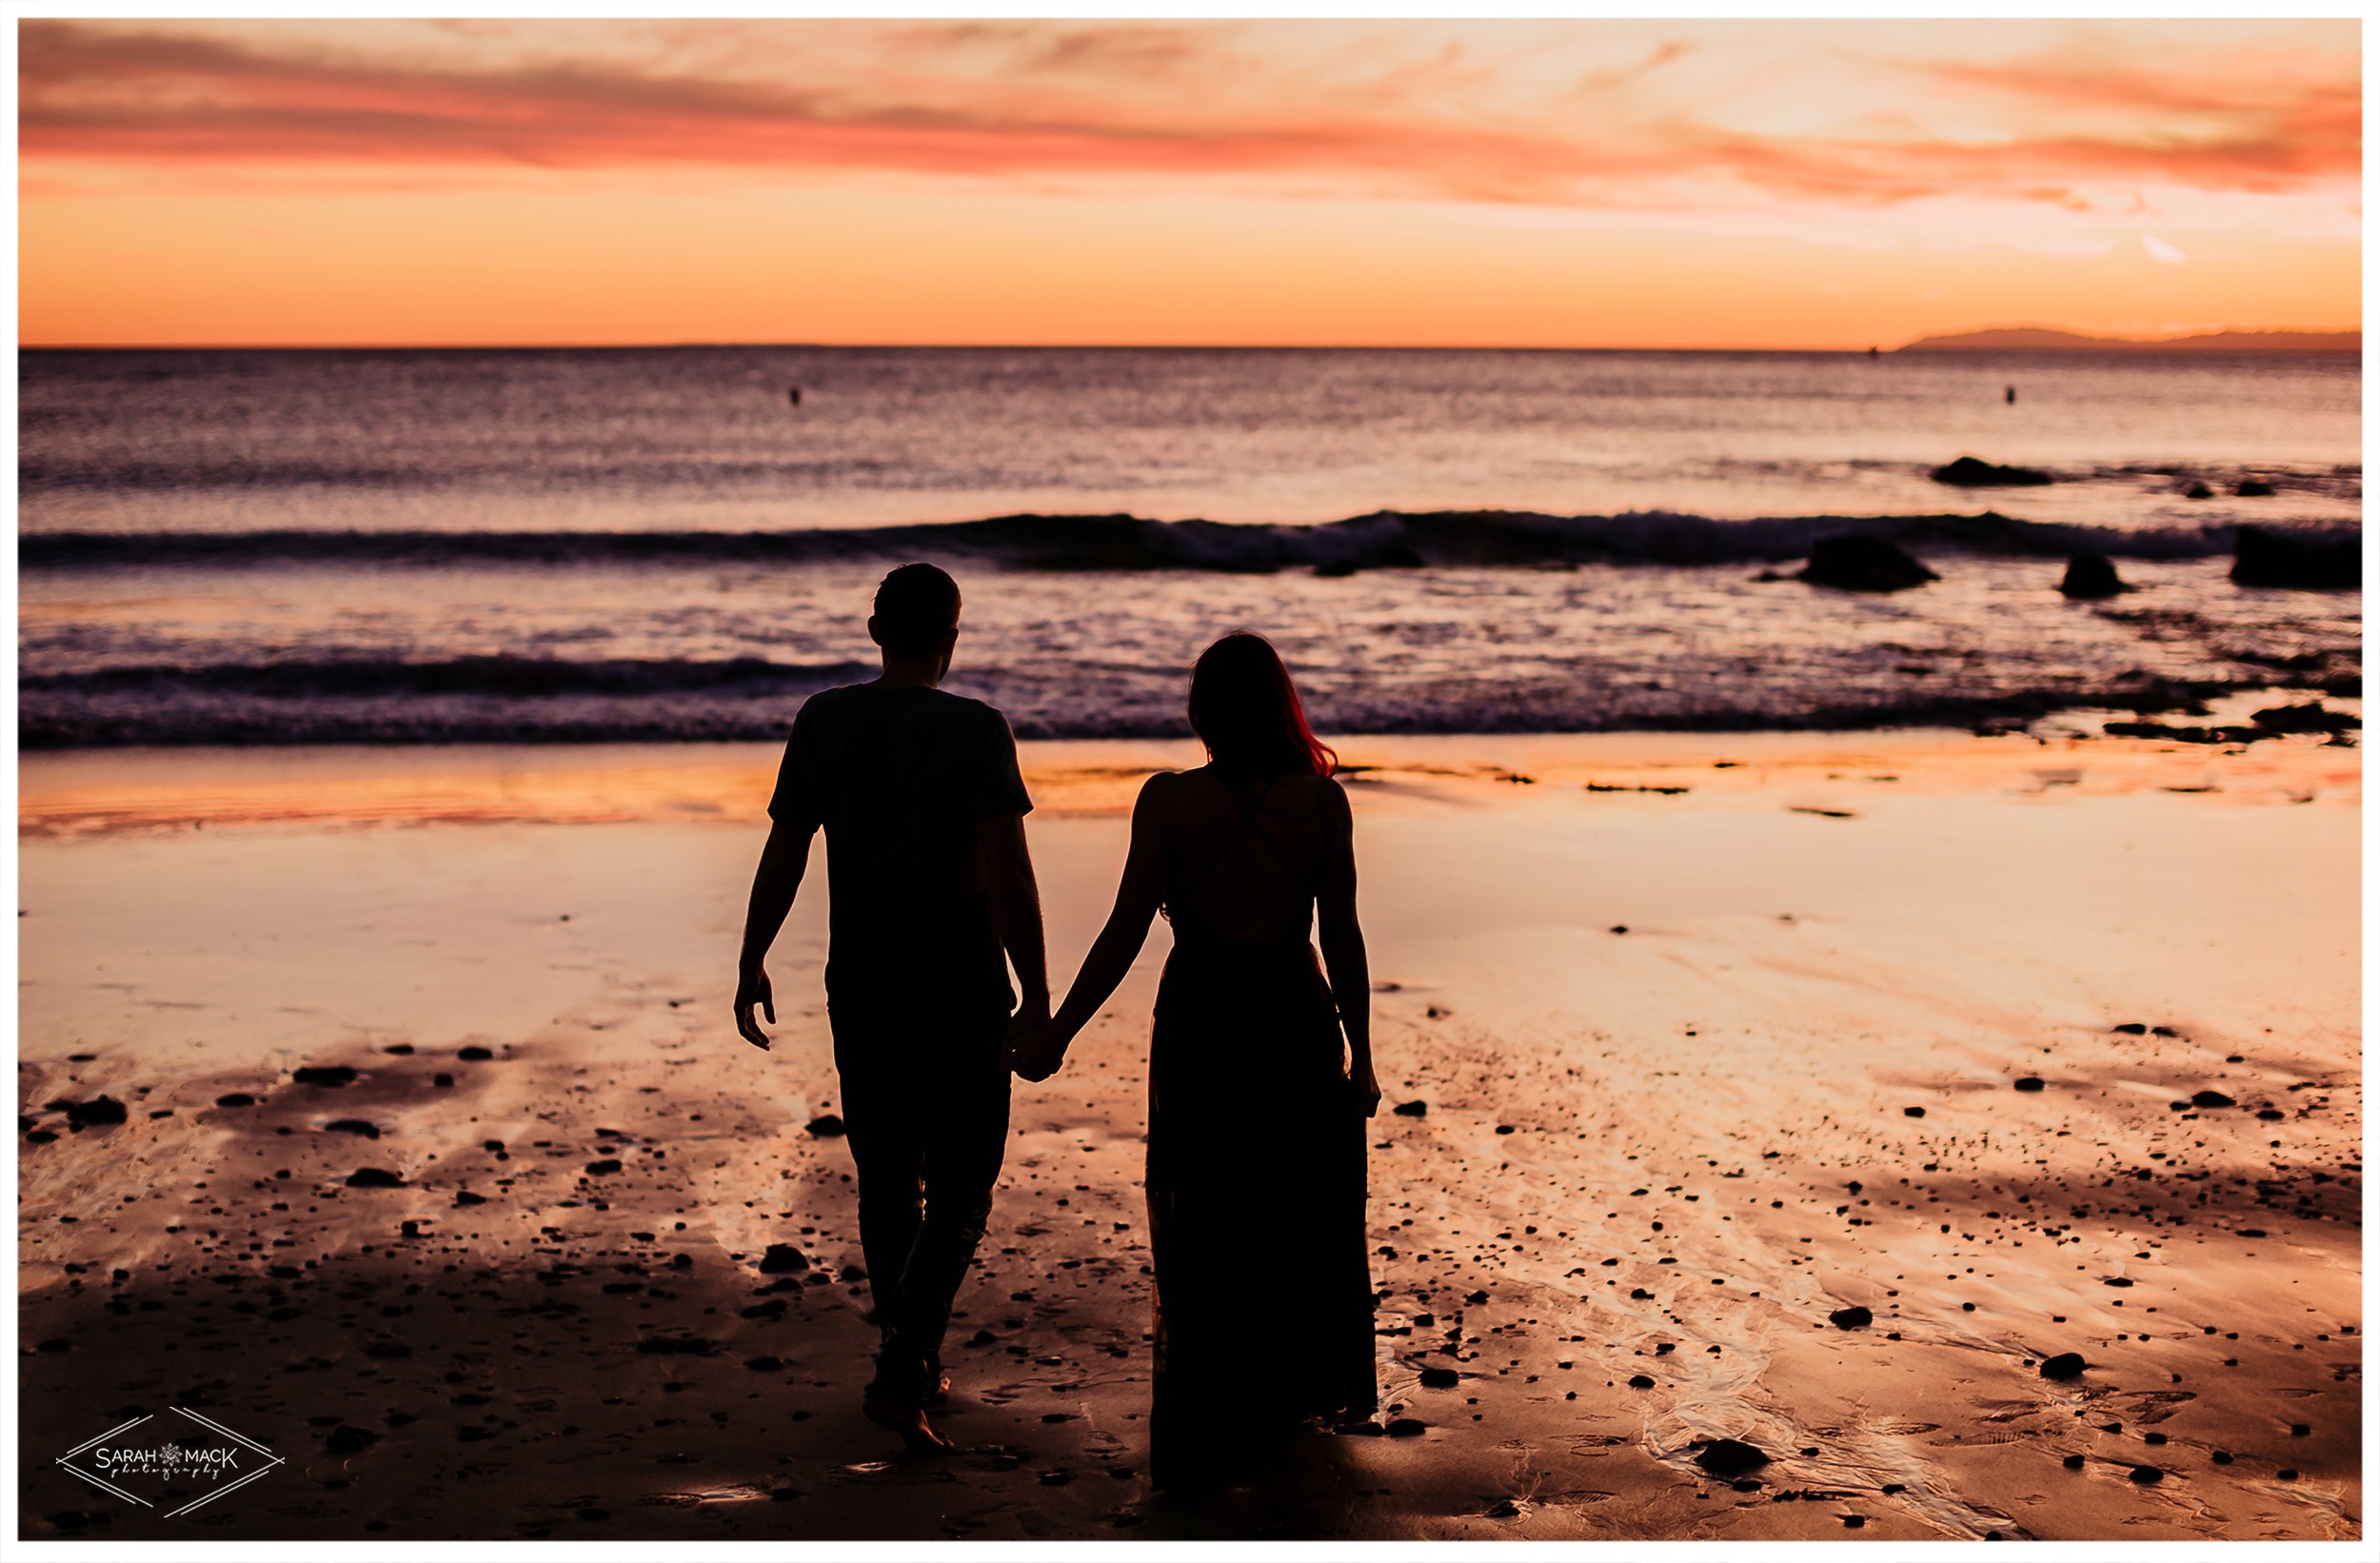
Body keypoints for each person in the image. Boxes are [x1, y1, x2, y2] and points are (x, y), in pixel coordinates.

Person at [1009, 631, 1378, 1493]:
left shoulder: (1169, 802)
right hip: (1293, 1009)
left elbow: (1127, 930)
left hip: (1204, 1014)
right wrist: (1362, 1055)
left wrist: (1060, 1029)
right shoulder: (1322, 804)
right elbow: (1344, 937)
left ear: (1202, 712)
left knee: (1207, 1199)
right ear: (1283, 704)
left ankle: (1219, 1386)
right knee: (1295, 1202)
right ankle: (1288, 1387)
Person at [735, 562, 1049, 1455]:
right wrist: (1036, 994)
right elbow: (1010, 877)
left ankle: (910, 1363)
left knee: (887, 1177)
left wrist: (752, 954)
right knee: (960, 1187)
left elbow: (786, 851)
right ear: (952, 636)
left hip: (864, 977)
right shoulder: (977, 731)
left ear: (876, 631)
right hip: (960, 979)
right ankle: (901, 1367)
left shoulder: (826, 721)